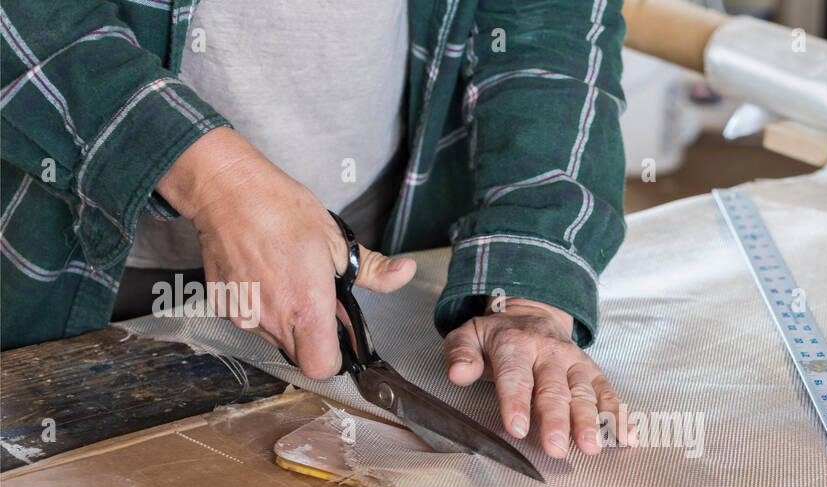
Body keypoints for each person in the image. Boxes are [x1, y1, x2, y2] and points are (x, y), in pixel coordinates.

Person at [0, 0, 630, 457]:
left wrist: (529, 286)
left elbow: (551, 23)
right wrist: (220, 182)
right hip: (59, 243)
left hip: (379, 230)